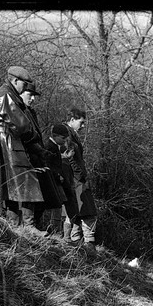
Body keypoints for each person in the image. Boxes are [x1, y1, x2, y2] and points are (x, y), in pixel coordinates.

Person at [0, 65, 45, 226]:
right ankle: (28, 228)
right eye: (24, 84)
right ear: (15, 81)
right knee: (26, 183)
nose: (25, 88)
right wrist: (34, 135)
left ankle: (15, 226)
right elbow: (21, 125)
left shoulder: (3, 94)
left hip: (2, 141)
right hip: (9, 142)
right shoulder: (7, 96)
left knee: (10, 187)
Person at [19, 81, 66, 231]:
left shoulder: (30, 111)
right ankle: (29, 226)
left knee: (43, 196)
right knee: (29, 194)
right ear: (20, 93)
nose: (32, 99)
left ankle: (35, 226)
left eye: (34, 96)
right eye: (29, 95)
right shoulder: (18, 111)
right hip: (26, 157)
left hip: (37, 157)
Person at [63, 107, 98, 254]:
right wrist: (80, 176)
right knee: (87, 211)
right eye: (81, 122)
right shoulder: (67, 134)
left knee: (76, 211)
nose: (83, 126)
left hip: (75, 179)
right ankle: (84, 243)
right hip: (75, 179)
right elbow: (70, 158)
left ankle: (73, 241)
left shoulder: (71, 134)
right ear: (72, 120)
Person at [43, 124, 79, 239]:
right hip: (53, 181)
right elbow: (47, 164)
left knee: (61, 204)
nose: (64, 141)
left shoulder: (55, 146)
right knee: (57, 204)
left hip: (57, 180)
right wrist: (57, 175)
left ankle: (56, 231)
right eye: (63, 138)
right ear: (55, 136)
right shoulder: (49, 146)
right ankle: (54, 231)